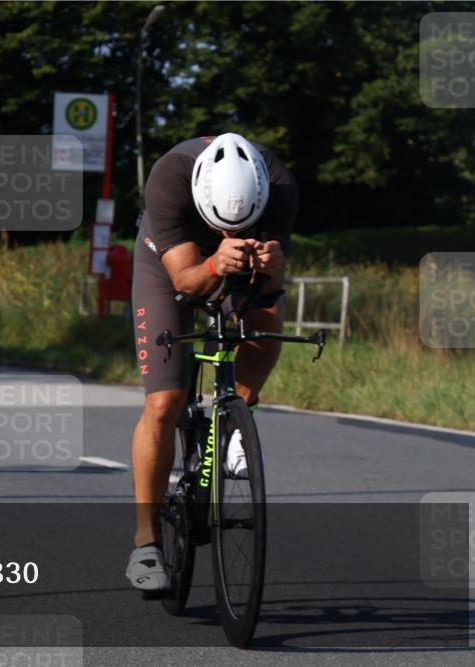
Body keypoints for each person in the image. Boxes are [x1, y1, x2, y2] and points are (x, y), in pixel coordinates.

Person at [126, 133, 298, 591]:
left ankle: (236, 420)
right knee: (164, 403)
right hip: (168, 264)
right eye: (224, 225)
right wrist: (215, 264)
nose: (231, 234)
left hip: (233, 265)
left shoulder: (279, 185)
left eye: (241, 226)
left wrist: (273, 266)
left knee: (266, 315)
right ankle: (145, 543)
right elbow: (185, 279)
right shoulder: (169, 177)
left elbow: (271, 289)